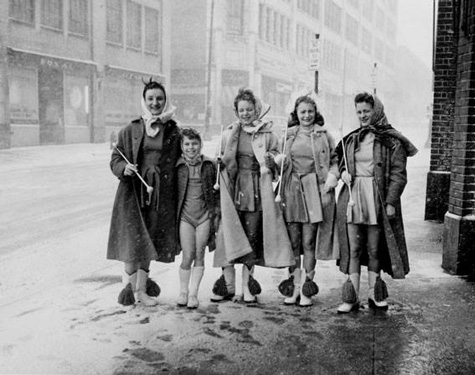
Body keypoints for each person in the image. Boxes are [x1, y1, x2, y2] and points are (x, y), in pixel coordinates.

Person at [335, 92, 418, 313]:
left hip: (376, 199)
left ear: (376, 111)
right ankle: (350, 297)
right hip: (353, 198)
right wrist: (343, 172)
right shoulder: (352, 138)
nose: (362, 116)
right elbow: (341, 161)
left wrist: (390, 201)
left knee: (374, 249)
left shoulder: (391, 140)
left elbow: (398, 174)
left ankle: (375, 293)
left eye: (366, 111)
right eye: (359, 112)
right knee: (353, 248)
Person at [211, 88, 294, 303]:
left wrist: (273, 159)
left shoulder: (268, 134)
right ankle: (228, 284)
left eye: (249, 109)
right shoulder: (230, 132)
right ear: (236, 111)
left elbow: (278, 157)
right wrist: (218, 162)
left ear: (256, 109)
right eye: (241, 110)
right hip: (235, 188)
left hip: (257, 188)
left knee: (252, 234)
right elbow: (221, 158)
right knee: (229, 232)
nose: (245, 114)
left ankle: (248, 286)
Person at [107, 79, 181, 307]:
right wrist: (124, 168)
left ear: (165, 100)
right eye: (151, 99)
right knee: (132, 240)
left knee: (150, 237)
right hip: (134, 192)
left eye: (159, 99)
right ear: (144, 101)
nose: (155, 103)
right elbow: (115, 158)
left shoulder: (172, 129)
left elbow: (180, 158)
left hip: (160, 192)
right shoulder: (131, 129)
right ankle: (128, 289)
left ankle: (142, 290)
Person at [275, 96, 339, 307]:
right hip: (291, 189)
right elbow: (277, 162)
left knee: (308, 241)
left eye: (310, 111)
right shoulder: (288, 135)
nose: (306, 116)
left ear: (315, 112)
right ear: (296, 113)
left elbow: (336, 160)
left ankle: (306, 289)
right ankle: (293, 287)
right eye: (302, 112)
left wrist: (332, 176)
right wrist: (277, 160)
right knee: (293, 242)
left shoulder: (323, 135)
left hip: (313, 189)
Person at [176, 127, 219, 309]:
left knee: (200, 254)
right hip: (186, 217)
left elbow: (217, 191)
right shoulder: (178, 166)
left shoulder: (209, 165)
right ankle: (183, 291)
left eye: (194, 143)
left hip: (204, 216)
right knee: (188, 255)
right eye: (187, 144)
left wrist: (215, 212)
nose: (191, 147)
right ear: (181, 146)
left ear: (200, 145)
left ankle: (194, 293)